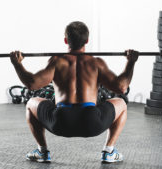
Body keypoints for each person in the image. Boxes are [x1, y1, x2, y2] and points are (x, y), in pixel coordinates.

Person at [10, 21, 139, 163]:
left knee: (31, 103)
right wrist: (131, 62)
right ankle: (109, 152)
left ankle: (42, 151)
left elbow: (32, 84)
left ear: (66, 40)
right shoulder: (96, 63)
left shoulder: (57, 61)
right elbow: (121, 87)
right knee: (121, 103)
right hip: (91, 122)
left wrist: (17, 64)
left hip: (61, 122)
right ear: (87, 40)